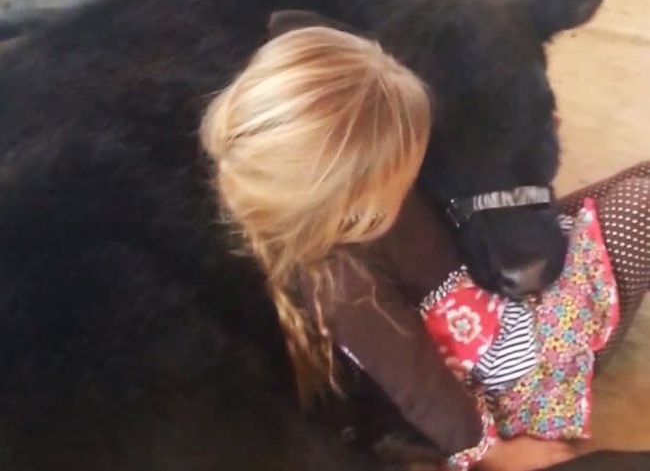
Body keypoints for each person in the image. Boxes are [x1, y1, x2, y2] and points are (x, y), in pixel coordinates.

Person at [200, 25, 650, 471]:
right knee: (640, 208)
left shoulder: (351, 202)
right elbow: (420, 384)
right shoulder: (344, 288)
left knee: (642, 178)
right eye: (408, 162)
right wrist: (497, 454)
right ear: (360, 201)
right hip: (522, 368)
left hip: (492, 292)